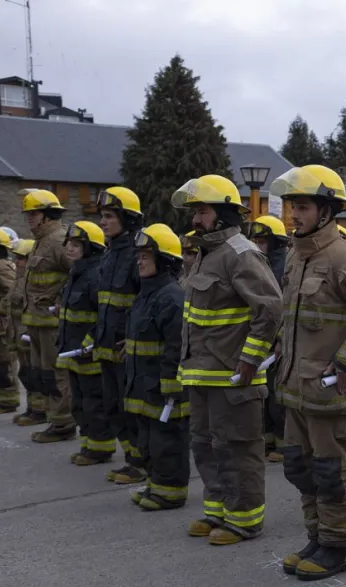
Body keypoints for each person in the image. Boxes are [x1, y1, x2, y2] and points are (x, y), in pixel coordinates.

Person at [269, 165, 346, 580]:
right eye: (292, 206)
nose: (294, 215)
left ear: (326, 211)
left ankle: (340, 547)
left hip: (331, 393)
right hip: (297, 389)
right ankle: (318, 537)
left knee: (332, 472)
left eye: (303, 207)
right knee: (301, 468)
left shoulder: (343, 257)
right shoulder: (297, 255)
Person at [172, 174, 283, 545]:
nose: (195, 219)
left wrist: (250, 360)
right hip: (203, 374)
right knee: (205, 445)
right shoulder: (206, 255)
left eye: (202, 211)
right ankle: (217, 509)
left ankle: (244, 519)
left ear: (222, 213)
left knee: (238, 448)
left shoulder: (240, 253)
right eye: (194, 212)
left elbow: (270, 309)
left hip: (233, 377)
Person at [125, 224, 190, 512]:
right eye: (138, 256)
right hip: (144, 383)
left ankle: (170, 493)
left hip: (163, 387)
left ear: (164, 260)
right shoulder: (147, 293)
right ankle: (155, 485)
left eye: (146, 256)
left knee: (167, 441)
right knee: (148, 439)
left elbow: (177, 346)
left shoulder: (171, 296)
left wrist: (171, 386)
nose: (139, 261)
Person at [91, 187, 144, 478]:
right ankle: (132, 458)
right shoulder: (110, 254)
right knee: (113, 407)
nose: (103, 222)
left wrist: (136, 338)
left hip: (129, 350)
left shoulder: (138, 254)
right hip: (106, 347)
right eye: (102, 216)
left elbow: (148, 301)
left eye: (109, 216)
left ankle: (141, 463)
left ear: (128, 219)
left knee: (132, 410)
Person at [19, 189, 76, 443]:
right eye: (28, 214)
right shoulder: (41, 241)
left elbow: (79, 272)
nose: (29, 219)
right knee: (43, 373)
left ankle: (63, 424)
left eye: (34, 214)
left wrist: (61, 300)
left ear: (48, 215)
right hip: (37, 321)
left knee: (56, 374)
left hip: (53, 323)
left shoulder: (58, 240)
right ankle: (52, 417)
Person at [56, 222, 113, 466]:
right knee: (79, 402)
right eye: (69, 243)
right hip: (73, 351)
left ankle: (100, 448)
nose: (70, 248)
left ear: (91, 248)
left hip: (89, 353)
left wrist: (90, 343)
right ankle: (88, 444)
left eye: (77, 244)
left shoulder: (95, 276)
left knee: (94, 402)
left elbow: (105, 316)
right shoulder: (76, 273)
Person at [246, 215, 290, 464]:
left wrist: (282, 338)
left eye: (262, 241)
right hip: (263, 341)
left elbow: (287, 309)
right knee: (265, 394)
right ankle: (270, 439)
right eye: (255, 240)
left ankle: (284, 444)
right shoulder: (258, 265)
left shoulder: (283, 268)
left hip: (279, 345)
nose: (257, 245)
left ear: (275, 243)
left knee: (278, 396)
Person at [5, 239, 46, 426]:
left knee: (34, 373)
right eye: (17, 258)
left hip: (29, 334)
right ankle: (31, 408)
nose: (17, 262)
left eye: (21, 258)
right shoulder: (19, 280)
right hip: (18, 333)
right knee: (26, 373)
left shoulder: (34, 282)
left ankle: (40, 411)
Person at [0, 229, 19, 415]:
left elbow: (13, 291)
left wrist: (0, 309)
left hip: (0, 326)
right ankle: (1, 400)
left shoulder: (2, 268)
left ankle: (8, 401)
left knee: (3, 362)